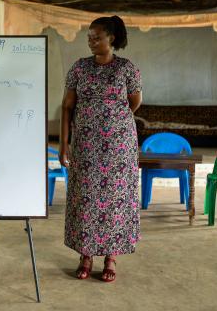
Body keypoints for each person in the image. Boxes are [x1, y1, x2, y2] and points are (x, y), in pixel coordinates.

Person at [60, 16, 142, 283]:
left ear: (112, 39)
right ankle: (86, 255)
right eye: (89, 37)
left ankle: (111, 257)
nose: (92, 42)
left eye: (97, 37)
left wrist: (112, 124)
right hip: (85, 146)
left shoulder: (127, 69)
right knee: (86, 199)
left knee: (116, 200)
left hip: (120, 148)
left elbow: (134, 103)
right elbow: (67, 107)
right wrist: (64, 143)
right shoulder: (79, 68)